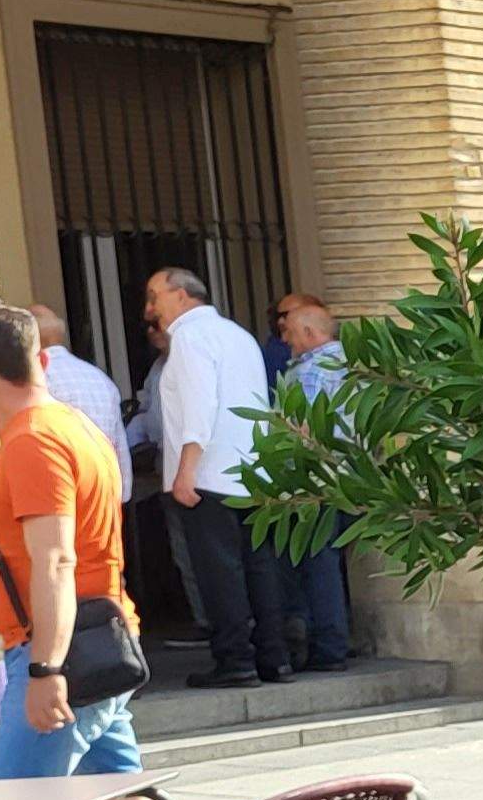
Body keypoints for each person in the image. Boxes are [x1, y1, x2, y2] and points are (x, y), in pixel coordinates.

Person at [0, 299, 138, 779]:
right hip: (99, 635)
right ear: (40, 360)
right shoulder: (75, 425)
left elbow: (56, 560)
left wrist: (47, 669)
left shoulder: (33, 440)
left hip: (66, 648)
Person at [141, 267, 282, 688]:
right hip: (253, 472)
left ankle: (235, 660)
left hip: (211, 474)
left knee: (219, 574)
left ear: (182, 296)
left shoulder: (189, 336)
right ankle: (274, 657)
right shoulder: (237, 335)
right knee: (259, 568)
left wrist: (186, 470)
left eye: (154, 296)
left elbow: (199, 406)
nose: (150, 308)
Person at [249, 293, 354, 671]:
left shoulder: (309, 371)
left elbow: (304, 431)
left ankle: (329, 648)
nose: (286, 341)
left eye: (290, 333)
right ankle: (337, 639)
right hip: (355, 477)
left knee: (317, 562)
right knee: (332, 562)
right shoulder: (354, 363)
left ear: (310, 332)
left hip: (317, 478)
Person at [28, 305, 128, 491]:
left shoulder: (36, 379)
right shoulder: (100, 378)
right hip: (105, 491)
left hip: (61, 491)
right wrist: (122, 493)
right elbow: (119, 444)